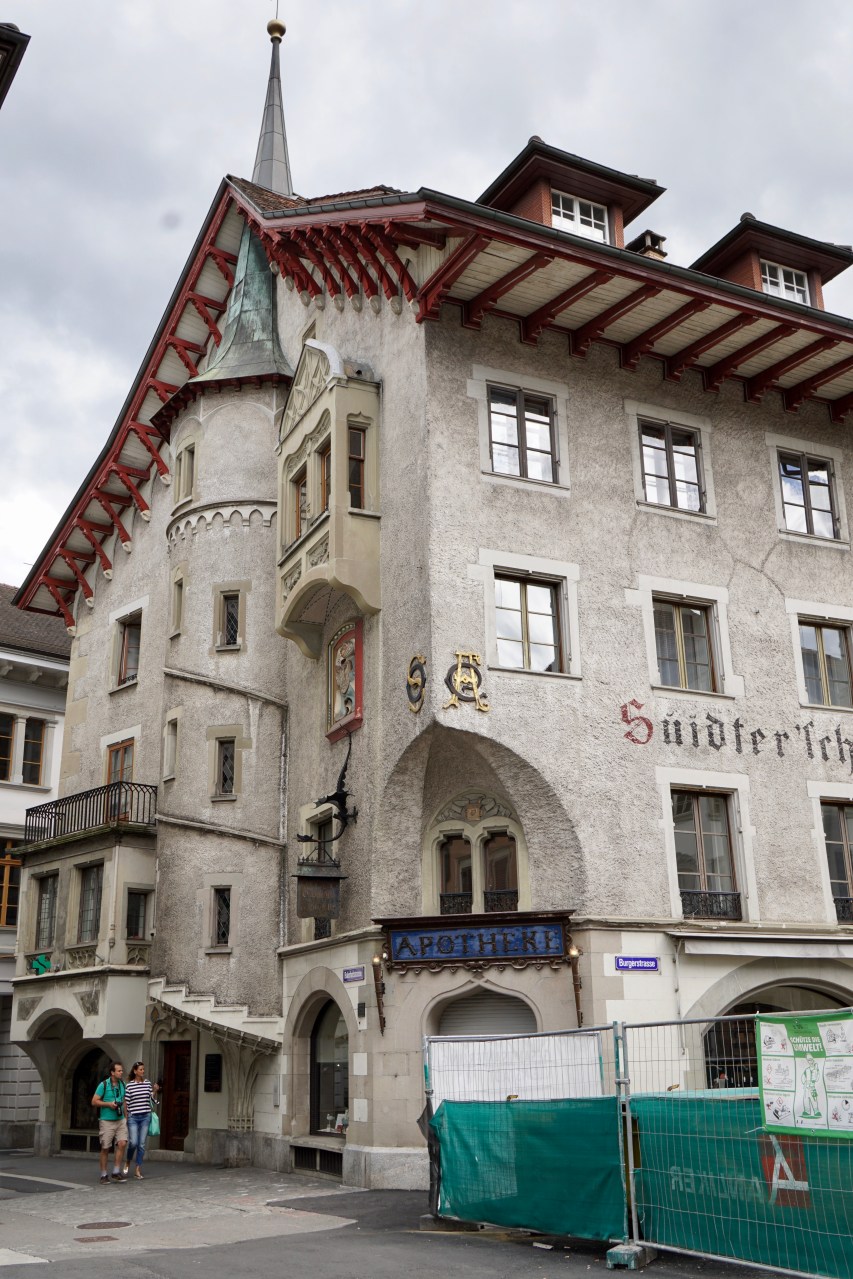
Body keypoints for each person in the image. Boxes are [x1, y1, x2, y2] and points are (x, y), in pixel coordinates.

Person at [91, 1061, 128, 1184]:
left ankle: (116, 1172)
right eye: (119, 1071)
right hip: (107, 1120)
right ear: (112, 1072)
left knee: (122, 1143)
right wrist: (108, 1104)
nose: (121, 1072)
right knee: (105, 1147)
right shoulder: (104, 1085)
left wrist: (126, 1117)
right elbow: (94, 1101)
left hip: (120, 1119)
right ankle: (103, 1174)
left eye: (121, 1070)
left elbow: (124, 1101)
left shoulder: (123, 1084)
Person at [122, 1060, 159, 1180]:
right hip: (133, 1117)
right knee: (133, 1142)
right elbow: (126, 1102)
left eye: (143, 1069)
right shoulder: (129, 1085)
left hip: (145, 1116)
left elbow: (150, 1098)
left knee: (141, 1144)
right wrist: (126, 1117)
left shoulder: (147, 1083)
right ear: (135, 1071)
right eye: (140, 1069)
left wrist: (155, 1090)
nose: (143, 1071)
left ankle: (138, 1168)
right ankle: (128, 1160)